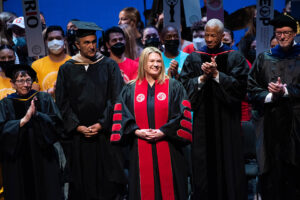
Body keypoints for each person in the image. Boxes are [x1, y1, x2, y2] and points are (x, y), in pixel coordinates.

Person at [55, 21, 126, 200]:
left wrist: (102, 124)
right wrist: (76, 126)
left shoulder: (109, 66)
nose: (92, 46)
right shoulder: (67, 69)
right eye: (86, 42)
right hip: (79, 138)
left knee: (108, 184)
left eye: (94, 41)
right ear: (77, 45)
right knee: (81, 184)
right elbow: (62, 102)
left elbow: (116, 98)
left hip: (104, 135)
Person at [180, 18, 248, 200]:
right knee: (203, 170)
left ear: (221, 36)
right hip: (203, 124)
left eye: (213, 35)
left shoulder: (235, 56)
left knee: (230, 167)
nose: (208, 39)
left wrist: (217, 75)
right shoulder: (195, 57)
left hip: (228, 123)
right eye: (206, 35)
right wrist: (202, 78)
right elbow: (184, 88)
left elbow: (241, 89)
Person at [111, 47, 192, 200]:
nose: (156, 64)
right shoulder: (130, 89)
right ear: (143, 64)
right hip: (139, 149)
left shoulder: (174, 86)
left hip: (170, 148)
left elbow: (182, 115)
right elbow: (121, 115)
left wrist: (164, 132)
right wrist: (136, 131)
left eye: (159, 61)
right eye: (152, 61)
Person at [248, 14, 300, 200]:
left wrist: (286, 91)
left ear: (295, 33)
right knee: (271, 173)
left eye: (286, 33)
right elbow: (251, 88)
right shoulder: (264, 58)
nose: (282, 37)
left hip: (296, 125)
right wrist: (270, 94)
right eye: (278, 33)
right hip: (269, 125)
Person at [0, 64, 65, 200]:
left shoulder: (43, 98)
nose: (25, 84)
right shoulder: (5, 104)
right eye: (20, 81)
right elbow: (2, 131)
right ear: (12, 84)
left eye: (28, 80)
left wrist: (38, 115)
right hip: (17, 159)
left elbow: (57, 124)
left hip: (43, 156)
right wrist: (23, 120)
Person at [31, 26, 71, 96]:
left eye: (58, 38)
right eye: (51, 39)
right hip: (46, 106)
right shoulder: (36, 65)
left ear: (64, 40)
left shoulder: (74, 62)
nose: (55, 42)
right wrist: (49, 92)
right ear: (46, 42)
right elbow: (33, 95)